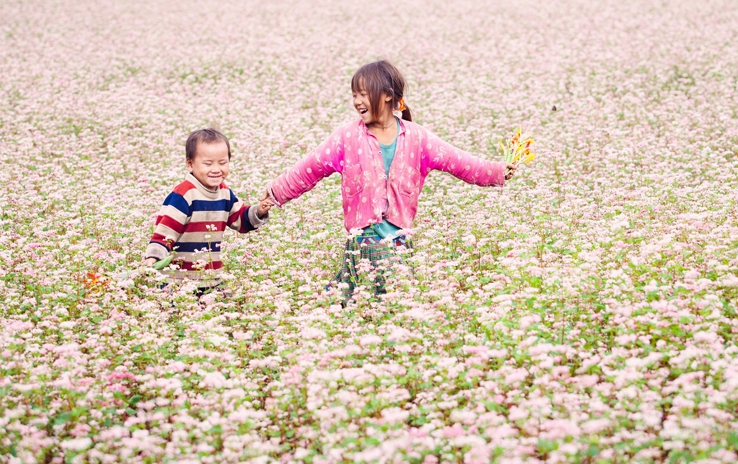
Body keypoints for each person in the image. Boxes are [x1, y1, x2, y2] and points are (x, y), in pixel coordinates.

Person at [264, 60, 516, 301]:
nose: (356, 101)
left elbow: (460, 162)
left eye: (362, 94)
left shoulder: (417, 138)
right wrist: (275, 192)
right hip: (364, 240)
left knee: (374, 304)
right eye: (354, 95)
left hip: (400, 241)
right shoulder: (347, 137)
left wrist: (496, 171)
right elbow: (309, 168)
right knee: (383, 303)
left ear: (386, 95)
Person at [144, 128, 273, 294]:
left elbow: (239, 219)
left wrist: (259, 211)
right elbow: (166, 231)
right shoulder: (184, 195)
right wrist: (153, 256)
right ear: (190, 164)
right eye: (208, 163)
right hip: (177, 281)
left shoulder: (224, 193)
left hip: (210, 277)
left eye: (222, 163)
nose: (216, 169)